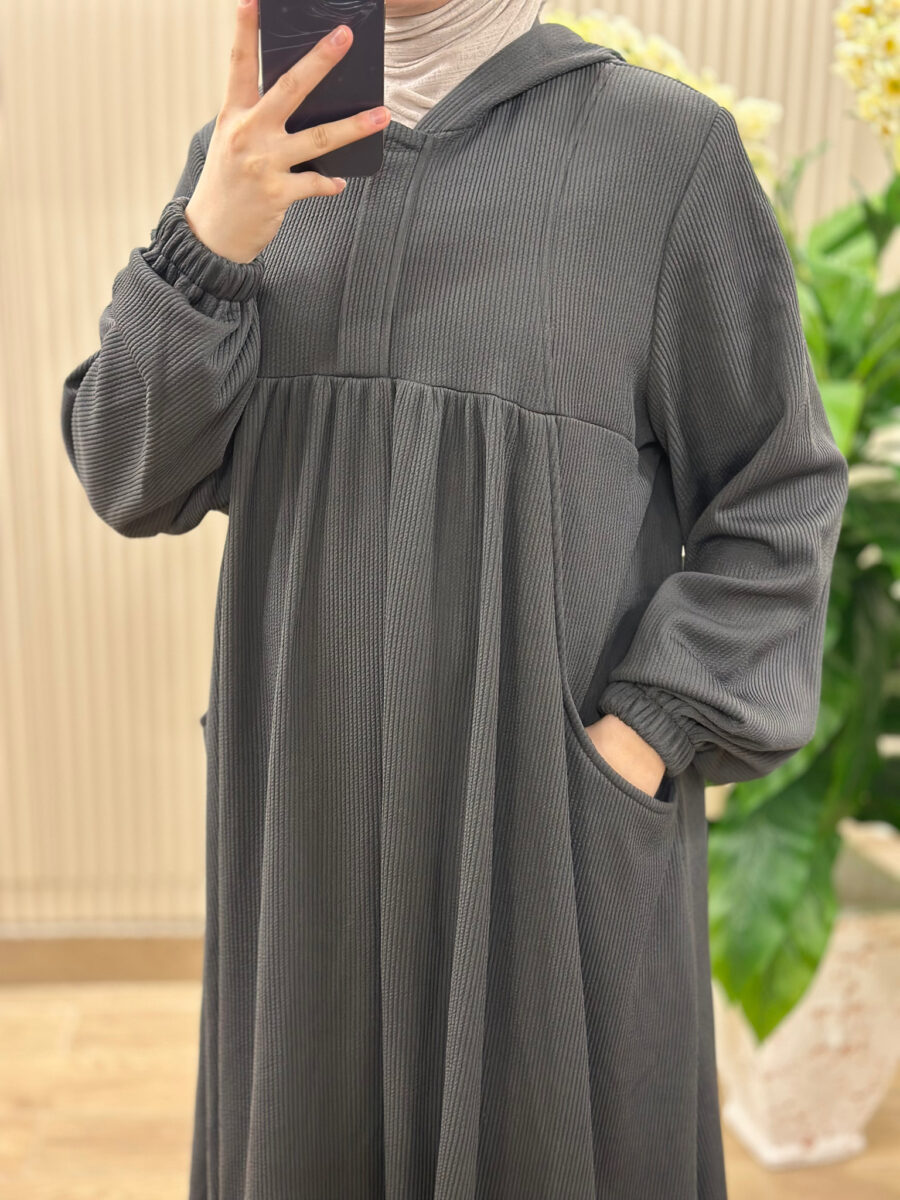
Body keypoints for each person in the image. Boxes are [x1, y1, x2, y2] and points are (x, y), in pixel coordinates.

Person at [59, 0, 849, 1196]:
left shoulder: (663, 155)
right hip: (306, 831)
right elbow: (129, 474)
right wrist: (206, 244)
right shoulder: (253, 161)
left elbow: (776, 497)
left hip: (547, 831)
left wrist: (642, 738)